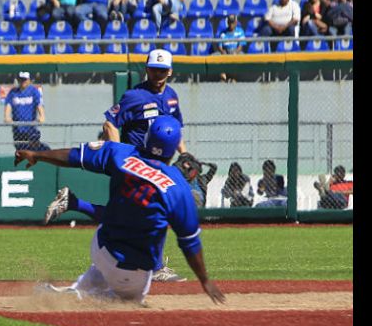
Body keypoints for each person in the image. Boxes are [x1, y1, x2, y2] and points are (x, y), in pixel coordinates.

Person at [16, 116, 226, 306]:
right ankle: (78, 297)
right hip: (132, 272)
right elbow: (189, 241)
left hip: (100, 248)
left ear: (148, 138)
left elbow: (74, 156)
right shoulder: (177, 187)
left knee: (113, 238)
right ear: (174, 150)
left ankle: (73, 290)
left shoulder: (119, 153)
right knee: (131, 301)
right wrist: (205, 280)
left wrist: (37, 154)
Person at [44, 49, 188, 282]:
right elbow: (109, 123)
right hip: (136, 166)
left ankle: (73, 202)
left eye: (162, 70)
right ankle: (156, 266)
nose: (157, 74)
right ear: (146, 68)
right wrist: (120, 156)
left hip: (155, 167)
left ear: (170, 71)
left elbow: (176, 128)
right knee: (146, 214)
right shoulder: (134, 96)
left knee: (129, 217)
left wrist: (185, 153)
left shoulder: (172, 96)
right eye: (153, 69)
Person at [4, 72, 46, 151]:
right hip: (18, 129)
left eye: (25, 79)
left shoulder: (34, 91)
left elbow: (39, 105)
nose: (23, 82)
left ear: (29, 80)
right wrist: (7, 117)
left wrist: (42, 116)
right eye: (21, 79)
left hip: (31, 128)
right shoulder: (13, 92)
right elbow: (8, 105)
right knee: (20, 151)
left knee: (33, 150)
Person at [215, 14, 245, 82]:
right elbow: (219, 46)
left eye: (233, 22)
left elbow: (241, 46)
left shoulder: (240, 31)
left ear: (236, 23)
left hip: (236, 50)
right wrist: (222, 51)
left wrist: (235, 52)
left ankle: (233, 78)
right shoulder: (223, 33)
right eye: (229, 22)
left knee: (238, 56)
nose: (231, 24)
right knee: (217, 56)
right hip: (225, 51)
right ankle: (223, 77)